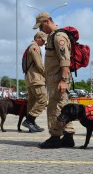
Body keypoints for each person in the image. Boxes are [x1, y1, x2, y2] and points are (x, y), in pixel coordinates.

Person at [33, 12, 75, 148]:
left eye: (41, 26)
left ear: (47, 21)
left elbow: (65, 60)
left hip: (59, 79)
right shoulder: (52, 36)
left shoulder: (58, 37)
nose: (40, 30)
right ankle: (68, 137)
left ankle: (55, 137)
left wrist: (63, 80)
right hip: (54, 79)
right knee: (63, 107)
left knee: (54, 108)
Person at [22, 31, 47, 132]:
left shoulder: (31, 47)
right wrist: (47, 75)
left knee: (32, 102)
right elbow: (39, 65)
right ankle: (29, 120)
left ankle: (31, 124)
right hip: (36, 78)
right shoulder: (35, 47)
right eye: (43, 40)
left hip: (30, 78)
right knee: (43, 99)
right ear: (38, 38)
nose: (44, 43)